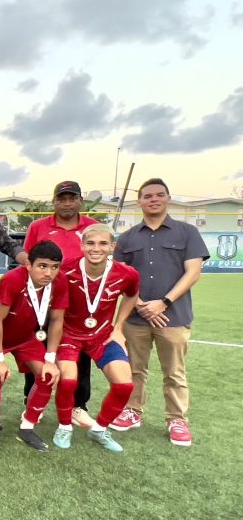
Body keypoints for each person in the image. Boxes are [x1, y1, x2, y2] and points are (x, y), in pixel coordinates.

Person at [111, 178, 208, 446]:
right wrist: (141, 303)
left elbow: (193, 272)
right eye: (148, 196)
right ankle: (132, 410)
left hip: (173, 316)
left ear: (167, 198)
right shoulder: (128, 237)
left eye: (159, 195)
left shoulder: (187, 232)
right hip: (135, 316)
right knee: (134, 369)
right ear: (139, 201)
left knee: (174, 372)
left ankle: (176, 418)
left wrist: (163, 302)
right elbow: (119, 277)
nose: (154, 199)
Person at [53, 224, 139, 453]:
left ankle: (99, 429)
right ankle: (64, 426)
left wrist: (118, 327)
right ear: (81, 245)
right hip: (69, 335)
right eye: (90, 243)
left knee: (124, 384)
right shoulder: (66, 270)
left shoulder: (126, 273)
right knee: (68, 380)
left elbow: (132, 295)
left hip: (102, 335)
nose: (96, 248)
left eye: (103, 243)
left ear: (112, 247)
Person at [22, 180, 99, 430]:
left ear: (80, 201)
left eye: (71, 198)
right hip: (44, 296)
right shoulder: (38, 226)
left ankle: (78, 405)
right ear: (54, 201)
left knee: (80, 351)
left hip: (82, 299)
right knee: (38, 346)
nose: (66, 203)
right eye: (61, 198)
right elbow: (29, 260)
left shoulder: (93, 227)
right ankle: (33, 399)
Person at [0, 241, 68, 452]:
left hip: (28, 339)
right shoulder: (12, 279)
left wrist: (50, 359)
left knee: (48, 376)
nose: (49, 272)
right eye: (43, 266)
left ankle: (27, 426)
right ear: (28, 264)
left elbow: (57, 320)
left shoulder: (60, 282)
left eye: (54, 267)